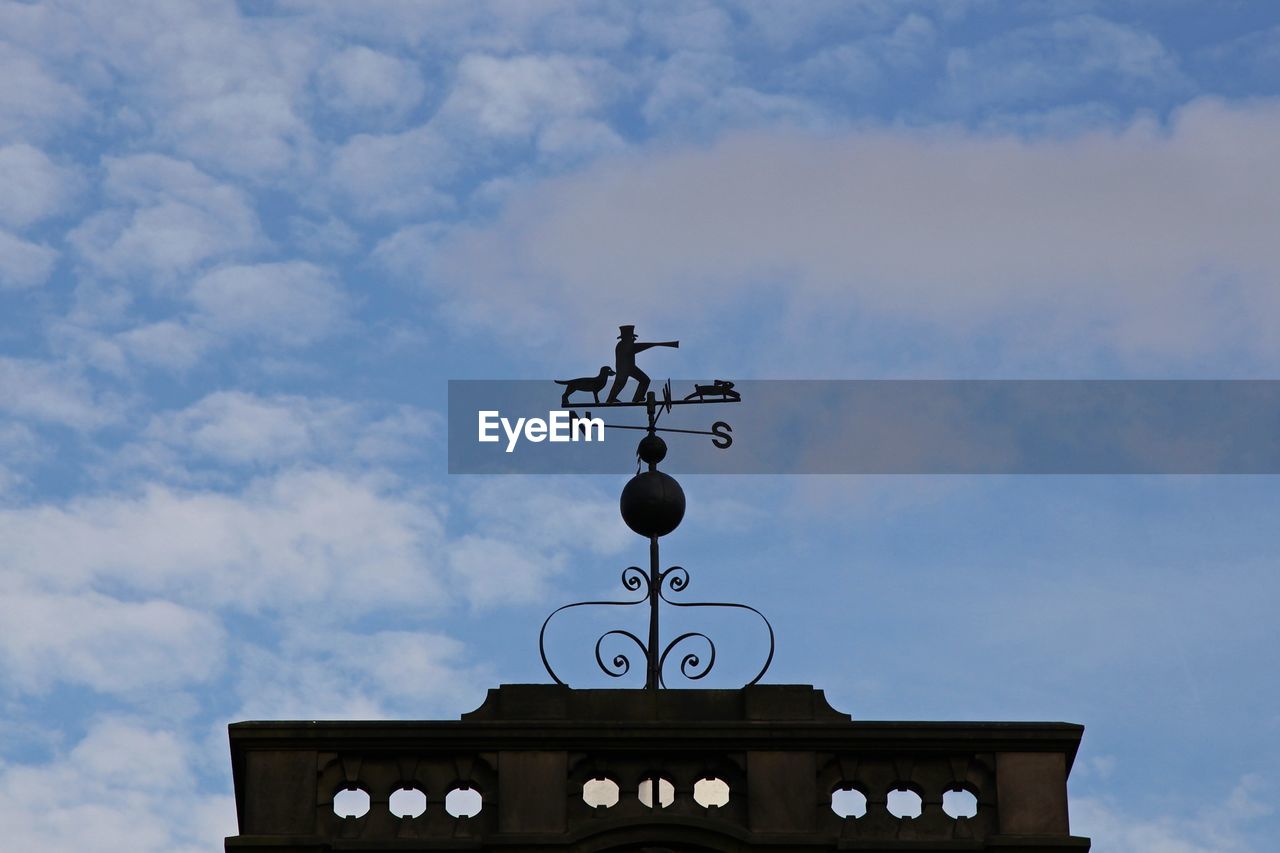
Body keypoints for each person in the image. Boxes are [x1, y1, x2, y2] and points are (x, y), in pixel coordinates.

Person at [606, 325, 679, 403]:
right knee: (620, 384)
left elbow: (634, 347)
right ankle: (611, 399)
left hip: (631, 368)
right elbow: (635, 348)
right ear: (626, 337)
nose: (633, 339)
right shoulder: (622, 345)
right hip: (624, 369)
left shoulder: (626, 344)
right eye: (631, 337)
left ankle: (638, 398)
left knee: (645, 380)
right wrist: (653, 345)